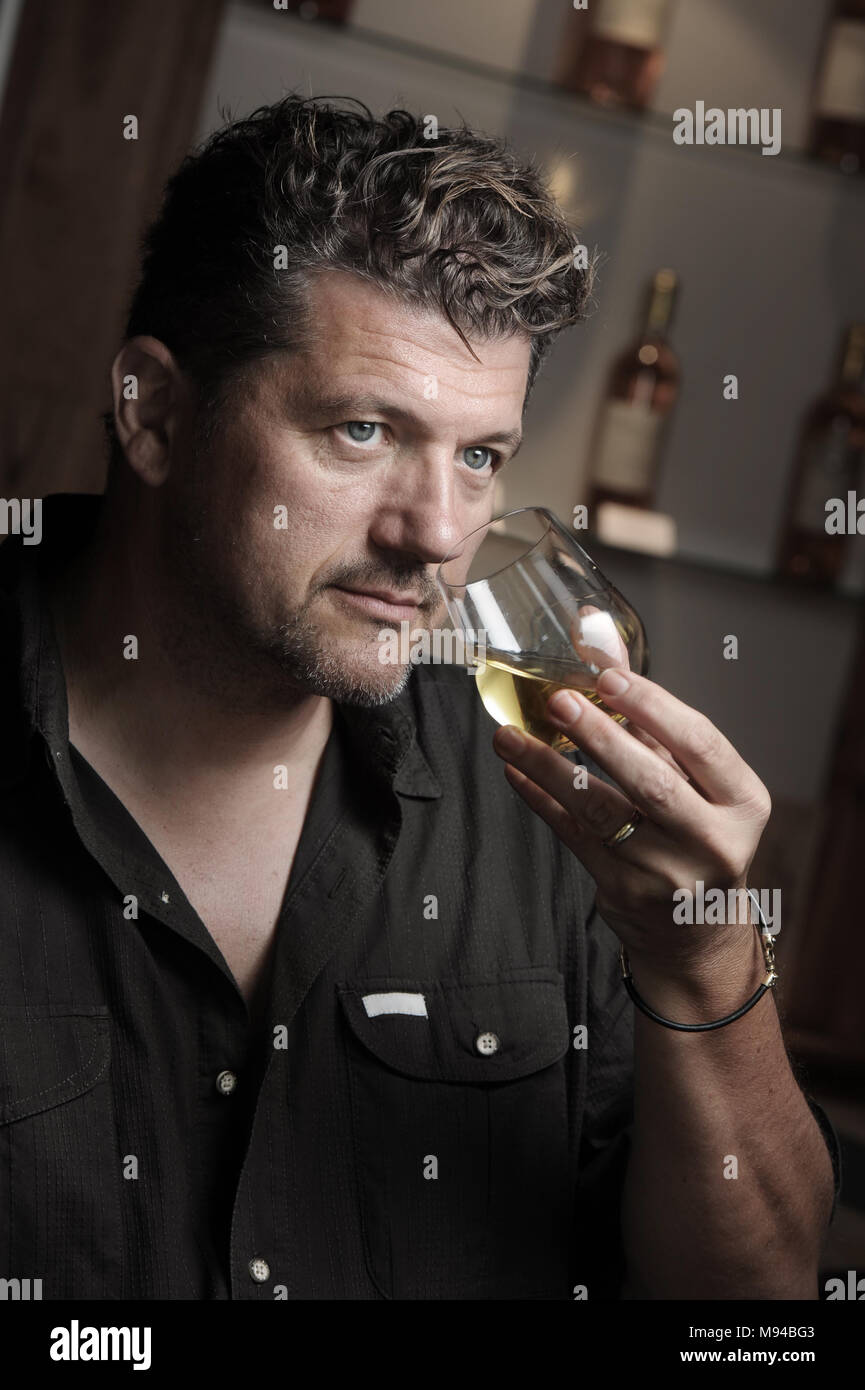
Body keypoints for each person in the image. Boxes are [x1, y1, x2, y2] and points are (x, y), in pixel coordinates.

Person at [0, 96, 839, 1301]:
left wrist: (703, 964)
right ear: (156, 412)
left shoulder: (546, 795)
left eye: (481, 455)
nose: (437, 535)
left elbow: (754, 1308)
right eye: (360, 430)